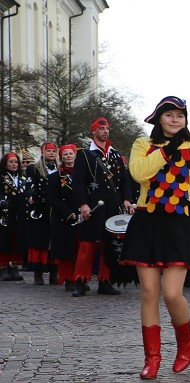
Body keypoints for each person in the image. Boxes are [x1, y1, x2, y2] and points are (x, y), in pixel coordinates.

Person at [121, 97, 190, 379]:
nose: (175, 120)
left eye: (180, 116)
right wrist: (165, 151)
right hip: (146, 220)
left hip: (179, 224)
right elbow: (138, 172)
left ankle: (186, 341)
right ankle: (152, 358)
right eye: (169, 115)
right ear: (158, 119)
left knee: (172, 293)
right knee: (149, 292)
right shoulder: (142, 145)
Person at [72, 116, 134, 297]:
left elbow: (124, 181)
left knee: (109, 245)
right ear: (93, 131)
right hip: (93, 207)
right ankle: (80, 281)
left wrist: (127, 199)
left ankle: (105, 281)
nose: (105, 131)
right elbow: (78, 182)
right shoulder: (84, 154)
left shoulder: (114, 154)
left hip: (112, 207)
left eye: (107, 128)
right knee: (87, 245)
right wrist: (82, 204)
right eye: (101, 129)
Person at [46, 145, 80, 287]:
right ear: (61, 157)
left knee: (80, 250)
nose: (68, 156)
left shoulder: (82, 174)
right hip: (64, 217)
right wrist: (68, 213)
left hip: (81, 215)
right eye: (65, 154)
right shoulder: (55, 176)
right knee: (67, 250)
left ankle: (80, 278)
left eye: (70, 153)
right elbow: (52, 198)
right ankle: (68, 278)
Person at [23, 143, 58, 284]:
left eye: (53, 151)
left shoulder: (59, 169)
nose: (51, 153)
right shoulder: (34, 169)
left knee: (54, 240)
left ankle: (54, 273)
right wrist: (31, 196)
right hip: (40, 207)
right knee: (39, 240)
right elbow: (29, 185)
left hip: (55, 208)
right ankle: (38, 273)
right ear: (43, 152)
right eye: (48, 151)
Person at [0, 152, 24, 281]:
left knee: (17, 239)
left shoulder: (22, 177)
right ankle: (3, 267)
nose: (14, 164)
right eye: (11, 162)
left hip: (19, 212)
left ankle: (15, 266)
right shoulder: (2, 177)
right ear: (5, 164)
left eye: (16, 162)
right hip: (4, 212)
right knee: (4, 240)